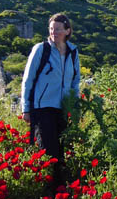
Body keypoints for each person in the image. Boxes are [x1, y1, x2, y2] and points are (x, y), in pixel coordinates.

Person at [21, 13, 80, 186]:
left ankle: (60, 191)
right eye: (51, 29)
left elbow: (75, 81)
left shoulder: (73, 52)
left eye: (58, 29)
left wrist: (74, 106)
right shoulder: (41, 49)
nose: (54, 32)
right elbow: (28, 79)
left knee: (61, 150)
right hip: (42, 107)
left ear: (67, 31)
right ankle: (48, 190)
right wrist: (26, 108)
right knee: (48, 152)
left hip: (62, 108)